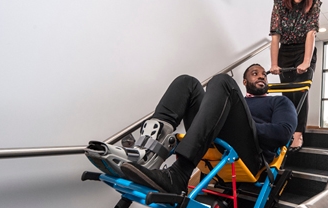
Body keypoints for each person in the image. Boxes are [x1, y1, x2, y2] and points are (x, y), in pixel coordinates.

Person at [116, 64, 297, 195]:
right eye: (255, 73)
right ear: (244, 81)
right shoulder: (233, 100)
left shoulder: (279, 101)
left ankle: (180, 173)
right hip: (213, 138)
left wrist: (243, 123)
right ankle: (147, 154)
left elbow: (283, 133)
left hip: (249, 152)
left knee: (222, 80)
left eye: (264, 75)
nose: (261, 77)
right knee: (187, 82)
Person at [269, 0, 321, 152]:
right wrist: (274, 64)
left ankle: (298, 134)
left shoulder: (313, 4)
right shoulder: (279, 6)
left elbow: (310, 33)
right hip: (286, 52)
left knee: (300, 92)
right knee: (288, 95)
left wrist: (306, 61)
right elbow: (275, 37)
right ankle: (288, 129)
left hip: (304, 50)